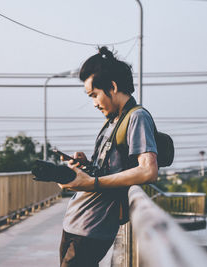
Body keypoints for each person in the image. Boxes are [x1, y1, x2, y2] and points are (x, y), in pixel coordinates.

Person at [58, 46, 159, 267]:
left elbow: (148, 170)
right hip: (75, 221)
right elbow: (111, 168)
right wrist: (86, 165)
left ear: (112, 87)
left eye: (94, 95)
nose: (94, 103)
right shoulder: (112, 120)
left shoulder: (137, 117)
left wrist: (93, 182)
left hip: (93, 226)